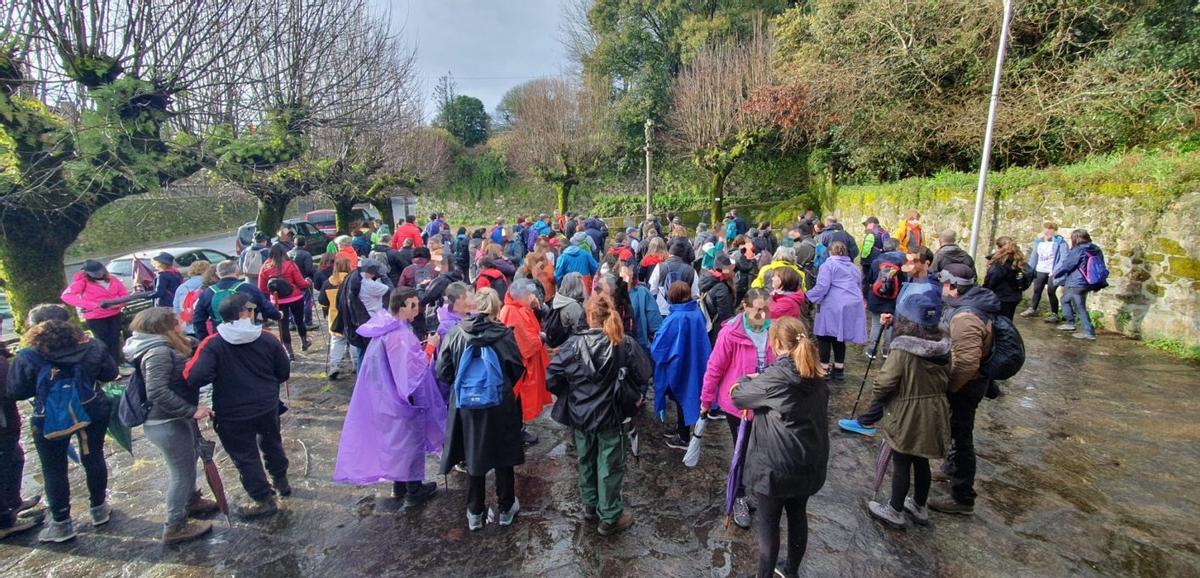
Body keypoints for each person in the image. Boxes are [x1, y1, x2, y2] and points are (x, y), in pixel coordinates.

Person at [730, 316, 828, 578]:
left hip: (776, 466)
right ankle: (791, 570)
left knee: (769, 524)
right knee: (798, 514)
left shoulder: (777, 377)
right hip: (809, 460)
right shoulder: (816, 371)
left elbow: (739, 397)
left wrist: (745, 379)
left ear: (775, 344)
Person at [546, 294, 651, 535]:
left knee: (586, 460)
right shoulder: (623, 342)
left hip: (580, 414)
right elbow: (644, 373)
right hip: (611, 415)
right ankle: (610, 515)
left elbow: (552, 378)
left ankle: (591, 506)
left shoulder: (572, 345)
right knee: (610, 464)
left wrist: (574, 393)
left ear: (588, 315)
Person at [8, 315, 118, 542]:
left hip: (49, 416)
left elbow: (16, 391)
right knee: (93, 456)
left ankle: (62, 523)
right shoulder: (92, 347)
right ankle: (99, 508)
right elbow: (110, 373)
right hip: (91, 409)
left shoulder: (29, 356)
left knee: (54, 468)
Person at [333, 289, 446, 507]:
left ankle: (399, 485)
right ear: (401, 307)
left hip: (384, 397)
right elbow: (411, 374)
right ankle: (414, 491)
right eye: (413, 305)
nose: (417, 309)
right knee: (410, 442)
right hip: (402, 400)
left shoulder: (385, 328)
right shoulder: (399, 335)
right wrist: (431, 346)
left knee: (396, 443)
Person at [185, 293, 291, 518]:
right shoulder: (267, 337)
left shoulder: (212, 344)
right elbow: (283, 371)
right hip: (266, 404)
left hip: (232, 410)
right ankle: (281, 482)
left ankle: (263, 498)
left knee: (245, 455)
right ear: (245, 314)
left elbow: (195, 376)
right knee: (272, 443)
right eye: (251, 310)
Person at [122, 308, 220, 543]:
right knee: (181, 472)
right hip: (165, 421)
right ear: (164, 327)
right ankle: (174, 525)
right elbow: (156, 391)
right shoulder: (157, 352)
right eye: (177, 321)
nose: (182, 323)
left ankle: (192, 501)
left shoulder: (162, 345)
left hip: (172, 418)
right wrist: (191, 411)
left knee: (188, 462)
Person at [436, 288, 526, 531]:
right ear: (496, 308)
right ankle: (506, 507)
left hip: (466, 405)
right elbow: (517, 367)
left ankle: (475, 511)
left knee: (473, 453)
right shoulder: (504, 335)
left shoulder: (455, 333)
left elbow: (442, 372)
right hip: (499, 403)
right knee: (503, 455)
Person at [865, 289, 950, 529]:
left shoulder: (903, 349)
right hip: (936, 408)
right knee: (921, 459)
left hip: (908, 411)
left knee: (901, 460)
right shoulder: (944, 344)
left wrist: (880, 398)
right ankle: (919, 506)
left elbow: (885, 382)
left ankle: (894, 509)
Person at [927, 263, 1000, 516]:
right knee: (956, 430)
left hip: (967, 385)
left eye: (945, 284)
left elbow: (967, 363)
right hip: (973, 382)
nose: (942, 289)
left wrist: (949, 388)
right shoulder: (973, 303)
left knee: (961, 435)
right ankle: (950, 468)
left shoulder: (966, 317)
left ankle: (962, 497)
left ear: (954, 287)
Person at [700, 289, 774, 530]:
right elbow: (715, 367)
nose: (762, 314)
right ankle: (738, 497)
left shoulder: (774, 330)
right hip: (739, 405)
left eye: (766, 309)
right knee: (741, 451)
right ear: (745, 306)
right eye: (758, 309)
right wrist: (705, 400)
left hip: (767, 403)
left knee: (761, 451)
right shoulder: (731, 333)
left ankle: (753, 491)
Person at [651, 281, 712, 449]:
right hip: (693, 361)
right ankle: (681, 429)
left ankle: (683, 436)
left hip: (678, 365)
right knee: (686, 396)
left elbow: (659, 347)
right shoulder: (696, 312)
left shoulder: (676, 317)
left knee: (681, 397)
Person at [498, 280, 552, 446]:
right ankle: (516, 433)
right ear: (523, 296)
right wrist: (541, 338)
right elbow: (526, 344)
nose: (534, 297)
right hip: (520, 370)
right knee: (517, 403)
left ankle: (517, 430)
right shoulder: (513, 312)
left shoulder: (517, 308)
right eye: (532, 295)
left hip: (522, 367)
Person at [0, 334, 43, 540]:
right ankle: (4, 522)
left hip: (7, 420)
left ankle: (12, 503)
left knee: (15, 459)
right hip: (2, 422)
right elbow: (9, 390)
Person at [805, 242, 866, 381]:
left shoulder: (828, 265)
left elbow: (822, 286)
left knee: (824, 336)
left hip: (832, 304)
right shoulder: (854, 267)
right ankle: (839, 370)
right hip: (851, 304)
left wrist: (808, 296)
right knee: (840, 337)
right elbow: (858, 286)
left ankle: (824, 369)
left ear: (830, 252)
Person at [60, 259, 129, 367]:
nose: (99, 275)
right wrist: (93, 305)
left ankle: (117, 363)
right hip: (96, 317)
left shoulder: (113, 279)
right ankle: (106, 365)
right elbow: (67, 296)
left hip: (114, 314)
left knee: (114, 339)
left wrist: (118, 304)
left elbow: (124, 294)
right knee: (102, 341)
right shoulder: (82, 282)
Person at [258, 243, 312, 358]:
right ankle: (304, 342)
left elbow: (262, 287)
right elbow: (301, 283)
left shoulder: (265, 267)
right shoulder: (290, 264)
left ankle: (289, 352)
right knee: (299, 321)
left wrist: (272, 294)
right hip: (295, 297)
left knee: (283, 325)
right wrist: (308, 283)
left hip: (278, 300)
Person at [1053, 229, 1105, 341]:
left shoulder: (1078, 250)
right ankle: (1070, 323)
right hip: (1090, 281)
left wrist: (1056, 274)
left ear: (1076, 238)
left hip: (1077, 282)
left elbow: (1068, 265)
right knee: (1065, 300)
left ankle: (1089, 332)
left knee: (1080, 306)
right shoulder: (1096, 248)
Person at [865, 238, 905, 359]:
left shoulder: (877, 261)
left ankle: (872, 351)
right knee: (890, 324)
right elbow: (904, 281)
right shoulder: (903, 262)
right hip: (894, 298)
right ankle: (886, 351)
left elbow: (871, 279)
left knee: (877, 323)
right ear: (897, 248)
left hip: (877, 297)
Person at [1021, 222, 1068, 321]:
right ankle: (1032, 309)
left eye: (1051, 229)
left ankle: (1054, 314)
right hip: (1040, 269)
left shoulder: (1061, 243)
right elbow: (1034, 257)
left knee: (1051, 291)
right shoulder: (1038, 242)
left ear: (1055, 231)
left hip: (1053, 271)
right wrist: (1029, 270)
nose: (1048, 231)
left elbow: (1064, 258)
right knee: (1037, 290)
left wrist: (1056, 271)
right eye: (1046, 229)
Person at [318, 256, 355, 379]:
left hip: (334, 317)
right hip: (351, 316)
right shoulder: (353, 280)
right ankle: (356, 364)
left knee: (336, 342)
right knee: (354, 341)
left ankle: (334, 365)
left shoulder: (328, 283)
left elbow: (322, 301)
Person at [649, 239, 699, 315]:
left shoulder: (660, 267)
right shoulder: (691, 271)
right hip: (683, 312)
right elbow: (695, 294)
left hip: (662, 310)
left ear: (670, 253)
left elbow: (652, 290)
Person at [621, 263, 662, 353]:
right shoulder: (642, 293)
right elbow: (655, 326)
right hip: (639, 351)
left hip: (614, 354)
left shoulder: (606, 296)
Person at [983, 237, 1025, 320]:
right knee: (1007, 322)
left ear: (998, 248)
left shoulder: (999, 264)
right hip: (1014, 297)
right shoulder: (1017, 260)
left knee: (999, 324)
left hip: (1000, 298)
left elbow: (991, 282)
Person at [699, 253, 737, 343]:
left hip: (709, 326)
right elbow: (725, 315)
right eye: (732, 269)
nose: (734, 272)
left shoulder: (708, 278)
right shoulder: (721, 288)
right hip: (718, 331)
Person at [173, 260, 212, 335]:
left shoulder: (182, 287)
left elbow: (176, 308)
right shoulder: (209, 284)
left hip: (187, 326)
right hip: (207, 326)